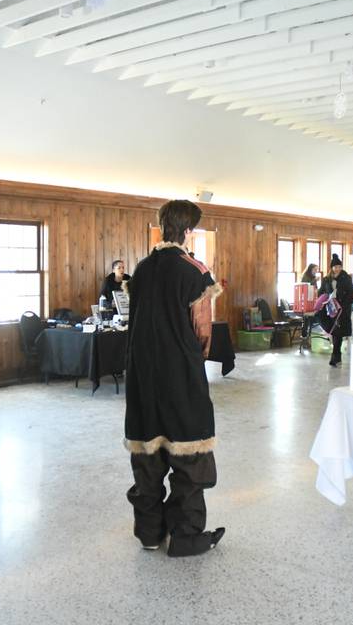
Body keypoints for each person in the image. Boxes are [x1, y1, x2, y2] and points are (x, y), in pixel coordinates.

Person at [124, 200, 225, 557]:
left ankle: (149, 533)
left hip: (141, 374)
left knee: (148, 452)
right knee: (189, 453)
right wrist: (193, 361)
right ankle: (185, 535)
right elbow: (202, 333)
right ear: (187, 230)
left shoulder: (141, 269)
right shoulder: (194, 271)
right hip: (180, 374)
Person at [318, 254, 353, 367]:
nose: (337, 269)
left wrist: (343, 304)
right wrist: (324, 300)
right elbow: (321, 292)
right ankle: (336, 356)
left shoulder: (346, 278)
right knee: (334, 332)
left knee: (338, 333)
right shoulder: (326, 279)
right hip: (330, 309)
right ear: (332, 268)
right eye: (335, 267)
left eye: (339, 266)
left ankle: (335, 357)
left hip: (342, 310)